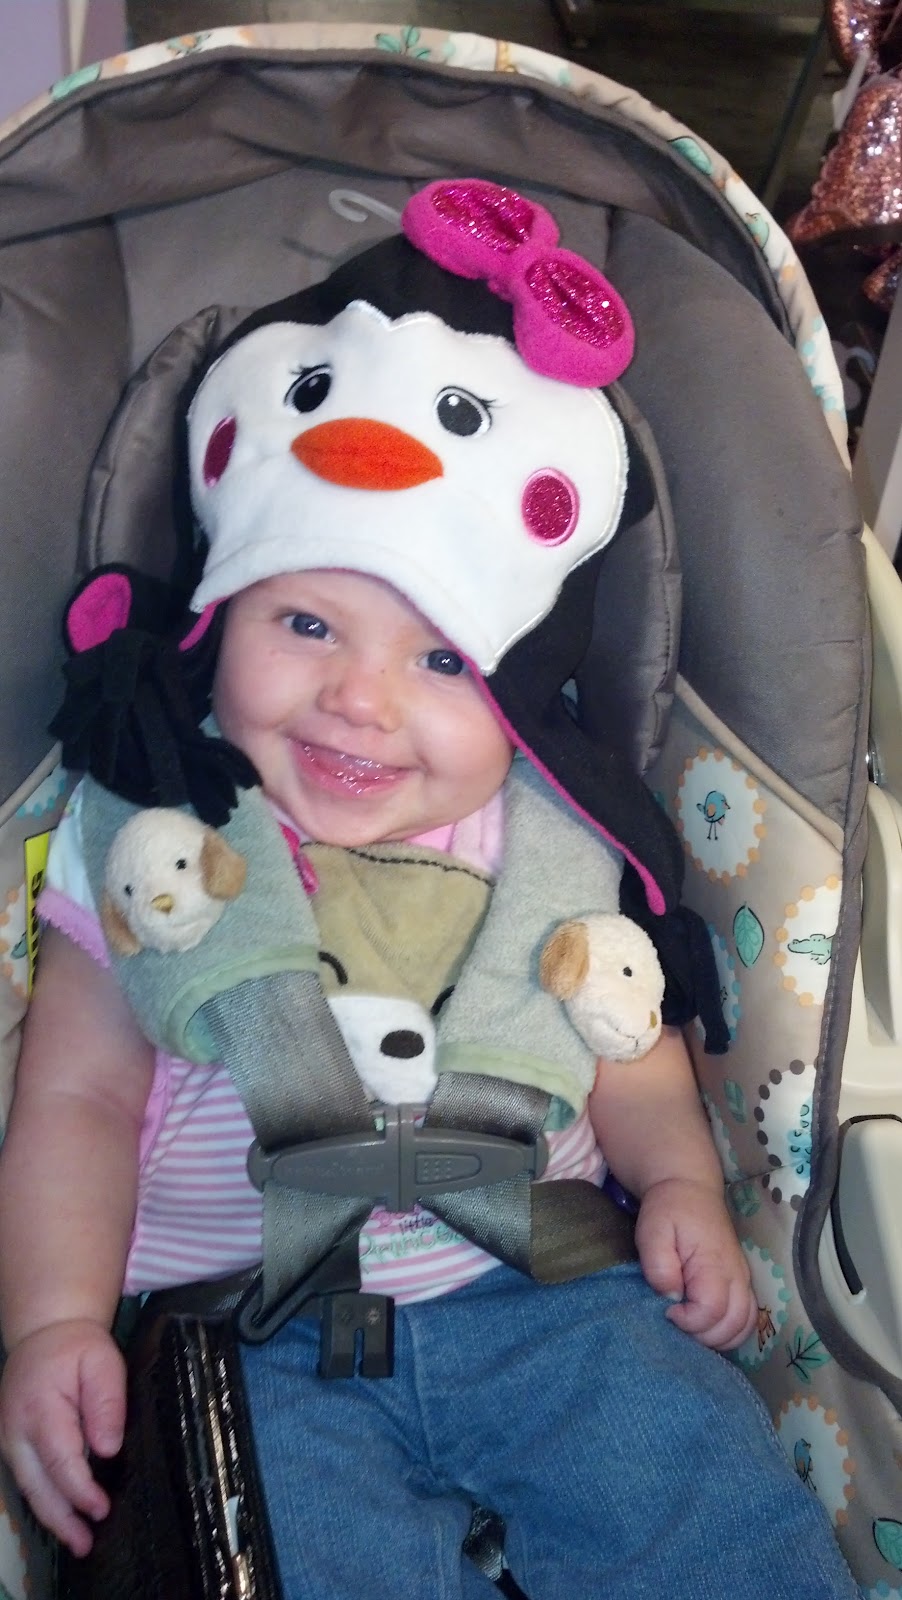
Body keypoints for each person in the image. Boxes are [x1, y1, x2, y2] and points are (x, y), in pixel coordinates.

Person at [0, 179, 862, 1599]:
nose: (360, 699)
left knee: (704, 1511)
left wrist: (678, 1188)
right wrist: (52, 1323)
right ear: (216, 615)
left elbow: (630, 1057)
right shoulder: (149, 827)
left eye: (443, 660)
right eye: (305, 621)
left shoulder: (555, 836)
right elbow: (79, 1100)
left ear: (520, 692)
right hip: (251, 1333)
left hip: (556, 1298)